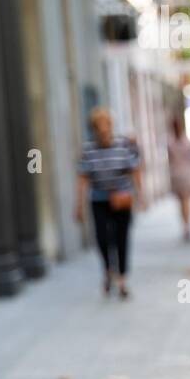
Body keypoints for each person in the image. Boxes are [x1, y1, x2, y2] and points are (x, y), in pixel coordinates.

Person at [75, 107, 143, 300]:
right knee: (102, 239)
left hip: (122, 199)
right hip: (99, 200)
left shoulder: (123, 145)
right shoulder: (88, 149)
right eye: (99, 126)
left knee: (121, 238)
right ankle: (107, 270)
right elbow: (82, 178)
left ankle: (121, 280)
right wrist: (78, 205)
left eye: (106, 125)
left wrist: (140, 194)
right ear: (94, 129)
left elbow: (134, 170)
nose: (103, 130)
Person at [166, 116, 190, 242]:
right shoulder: (186, 141)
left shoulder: (170, 142)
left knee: (181, 202)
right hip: (187, 173)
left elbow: (170, 160)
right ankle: (188, 226)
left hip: (176, 174)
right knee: (187, 201)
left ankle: (185, 226)